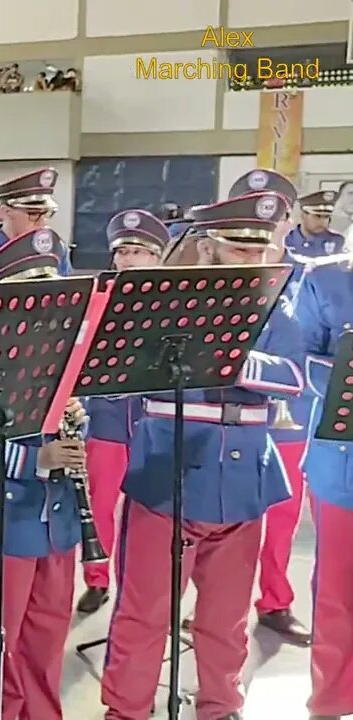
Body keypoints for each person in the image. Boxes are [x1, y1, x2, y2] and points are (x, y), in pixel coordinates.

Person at [101, 191, 304, 720]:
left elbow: (293, 375)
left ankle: (220, 706)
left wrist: (232, 358)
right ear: (209, 248)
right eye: (238, 249)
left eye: (259, 250)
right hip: (165, 477)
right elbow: (121, 379)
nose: (252, 261)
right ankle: (126, 711)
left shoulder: (278, 304)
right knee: (143, 615)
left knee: (227, 618)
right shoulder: (161, 304)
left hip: (244, 482)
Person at [0, 226, 87, 720]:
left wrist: (77, 423)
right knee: (0, 645)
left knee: (47, 641)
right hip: (6, 524)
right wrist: (36, 461)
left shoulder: (64, 357)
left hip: (58, 523)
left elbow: (79, 427)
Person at [224, 173, 314, 646]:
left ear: (288, 220)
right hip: (224, 417)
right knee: (213, 519)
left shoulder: (314, 274)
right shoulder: (213, 271)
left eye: (277, 215)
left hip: (288, 415)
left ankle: (274, 600)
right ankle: (208, 607)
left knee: (281, 517)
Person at [75, 209, 168, 616]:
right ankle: (97, 577)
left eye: (139, 252)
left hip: (156, 420)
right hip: (108, 417)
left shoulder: (176, 300)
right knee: (99, 502)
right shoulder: (97, 297)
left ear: (157, 258)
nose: (128, 260)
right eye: (123, 251)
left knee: (153, 509)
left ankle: (145, 581)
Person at [294, 244, 353, 720]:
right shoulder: (324, 279)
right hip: (342, 462)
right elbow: (297, 364)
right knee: (337, 589)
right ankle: (331, 702)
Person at [0, 168, 71, 282]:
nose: (42, 222)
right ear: (6, 211)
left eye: (47, 214)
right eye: (34, 214)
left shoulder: (56, 248)